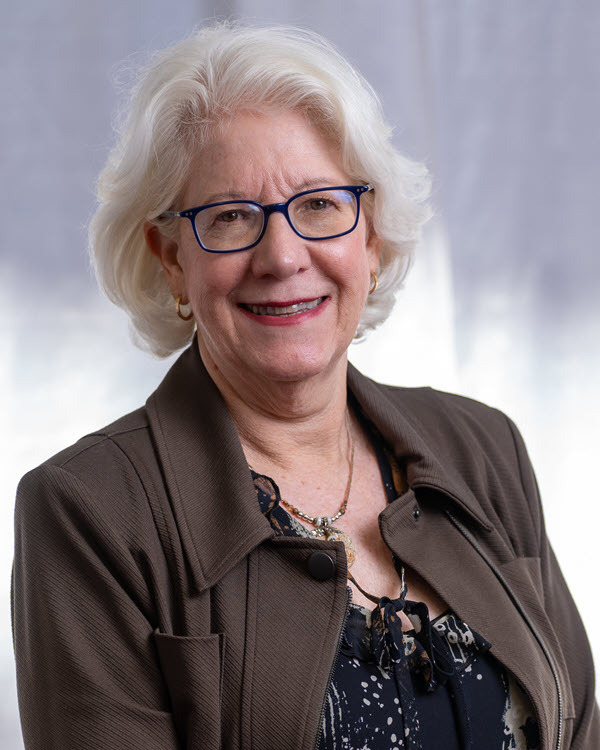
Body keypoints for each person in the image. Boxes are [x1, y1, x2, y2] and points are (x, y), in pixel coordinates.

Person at [12, 22, 599, 750]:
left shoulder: (484, 449)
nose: (283, 256)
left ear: (371, 237)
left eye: (320, 204)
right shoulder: (89, 512)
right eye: (231, 216)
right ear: (170, 260)